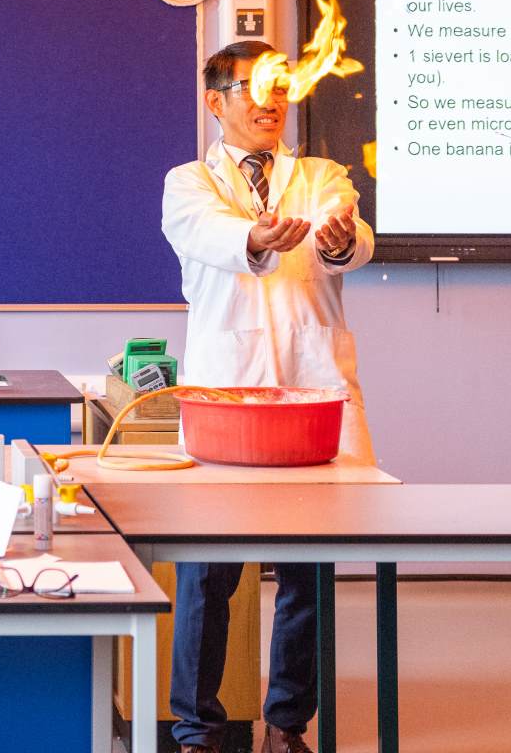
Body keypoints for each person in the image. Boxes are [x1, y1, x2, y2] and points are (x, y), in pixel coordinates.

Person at [160, 40, 374, 753]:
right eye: (253, 88)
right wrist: (255, 235)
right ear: (215, 100)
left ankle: (287, 725)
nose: (270, 101)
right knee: (208, 574)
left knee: (308, 575)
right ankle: (198, 729)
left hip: (311, 398)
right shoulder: (190, 182)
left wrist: (338, 240)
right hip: (227, 399)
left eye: (279, 86)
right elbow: (207, 233)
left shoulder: (319, 175)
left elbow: (351, 237)